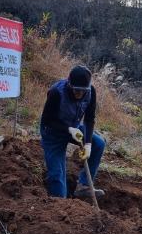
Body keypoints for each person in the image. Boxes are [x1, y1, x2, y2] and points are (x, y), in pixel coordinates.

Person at [40, 65, 106, 199]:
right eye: (77, 90)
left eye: (83, 91)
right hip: (53, 133)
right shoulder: (56, 93)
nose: (80, 94)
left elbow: (89, 118)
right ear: (69, 84)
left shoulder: (90, 92)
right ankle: (61, 206)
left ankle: (84, 186)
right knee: (57, 176)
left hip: (75, 128)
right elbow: (48, 120)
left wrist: (88, 144)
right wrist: (68, 129)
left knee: (98, 144)